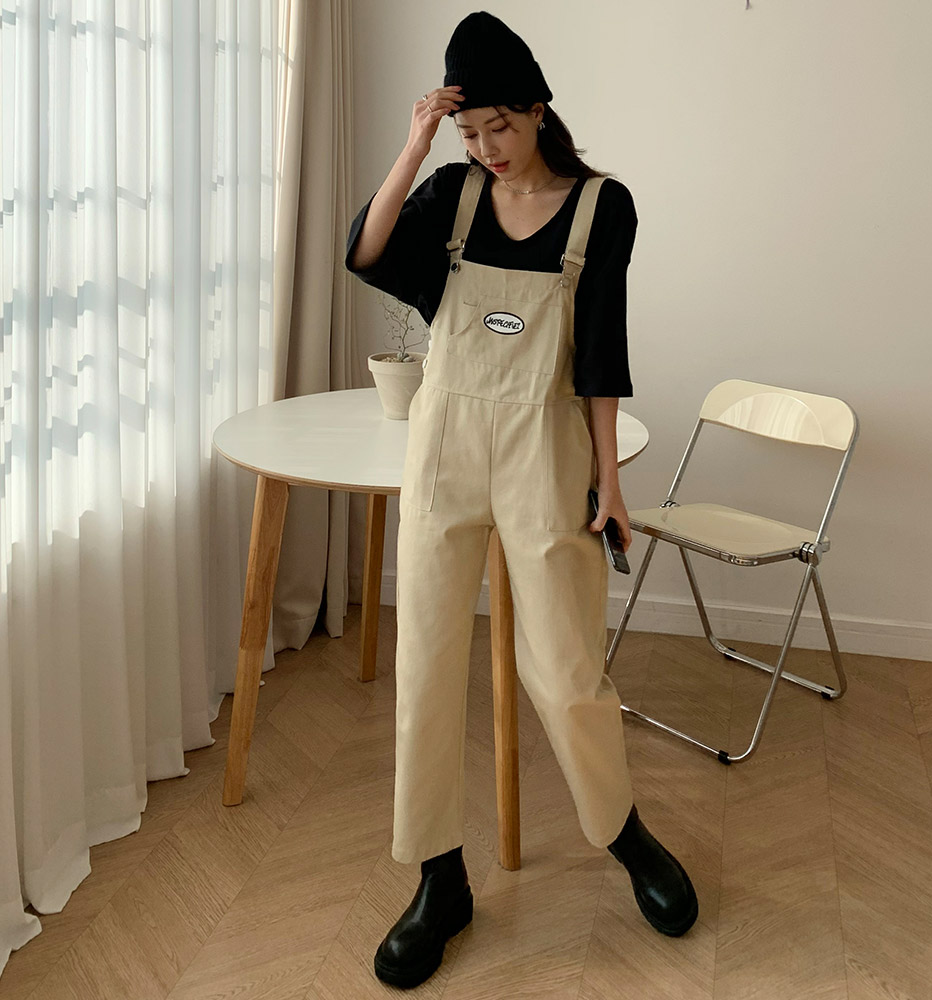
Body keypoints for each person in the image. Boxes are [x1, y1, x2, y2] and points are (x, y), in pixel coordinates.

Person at [346, 11, 698, 990]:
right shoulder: (451, 196)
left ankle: (622, 833)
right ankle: (438, 878)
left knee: (568, 665)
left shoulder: (601, 209)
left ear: (538, 109)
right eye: (468, 133)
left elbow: (602, 353)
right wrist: (415, 144)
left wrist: (610, 482)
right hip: (445, 450)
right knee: (426, 660)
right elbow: (367, 253)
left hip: (546, 452)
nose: (485, 149)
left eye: (497, 127)